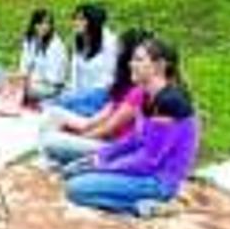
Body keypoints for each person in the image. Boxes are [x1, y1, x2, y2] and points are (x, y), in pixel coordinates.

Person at [62, 38, 200, 217]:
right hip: (143, 171)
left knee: (75, 189)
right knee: (71, 174)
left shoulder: (169, 102)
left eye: (138, 60)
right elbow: (135, 139)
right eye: (133, 59)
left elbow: (149, 160)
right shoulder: (146, 94)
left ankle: (151, 206)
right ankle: (141, 202)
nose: (130, 64)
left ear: (159, 66)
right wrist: (101, 156)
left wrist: (106, 167)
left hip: (158, 181)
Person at [40, 28, 152, 168]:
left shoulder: (138, 92)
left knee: (50, 141)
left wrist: (78, 138)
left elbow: (109, 128)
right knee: (54, 114)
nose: (115, 52)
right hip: (104, 137)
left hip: (111, 146)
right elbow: (100, 116)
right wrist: (82, 128)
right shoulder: (124, 84)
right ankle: (56, 156)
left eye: (119, 48)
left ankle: (57, 157)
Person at [52, 2, 118, 116]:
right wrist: (73, 93)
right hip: (81, 94)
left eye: (81, 19)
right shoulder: (78, 40)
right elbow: (75, 73)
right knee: (61, 104)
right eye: (75, 19)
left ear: (93, 21)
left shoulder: (110, 42)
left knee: (58, 104)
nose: (76, 23)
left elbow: (110, 78)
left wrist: (83, 95)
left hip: (100, 93)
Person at [19, 8, 68, 102]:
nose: (44, 27)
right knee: (3, 82)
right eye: (40, 23)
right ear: (34, 24)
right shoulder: (30, 40)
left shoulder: (56, 45)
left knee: (23, 90)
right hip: (31, 82)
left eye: (48, 23)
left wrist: (29, 81)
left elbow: (53, 78)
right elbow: (23, 66)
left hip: (50, 87)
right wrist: (21, 78)